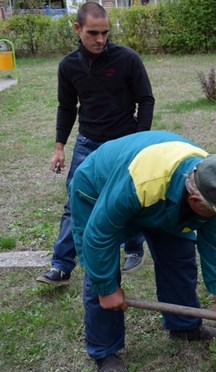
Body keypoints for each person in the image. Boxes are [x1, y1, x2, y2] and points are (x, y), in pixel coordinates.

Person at [70, 130, 216, 372]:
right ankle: (104, 349)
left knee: (179, 256)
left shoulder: (214, 182)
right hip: (101, 186)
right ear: (196, 201)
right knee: (101, 266)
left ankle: (184, 325)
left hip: (164, 197)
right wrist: (106, 288)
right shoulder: (143, 180)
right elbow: (99, 235)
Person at [36, 2, 155, 287]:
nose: (100, 39)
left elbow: (146, 100)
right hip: (88, 143)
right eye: (93, 33)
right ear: (78, 29)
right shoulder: (68, 66)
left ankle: (134, 247)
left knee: (127, 197)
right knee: (75, 202)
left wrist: (139, 140)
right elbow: (66, 107)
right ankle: (62, 266)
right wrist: (59, 147)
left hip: (125, 141)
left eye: (105, 33)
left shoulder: (127, 59)